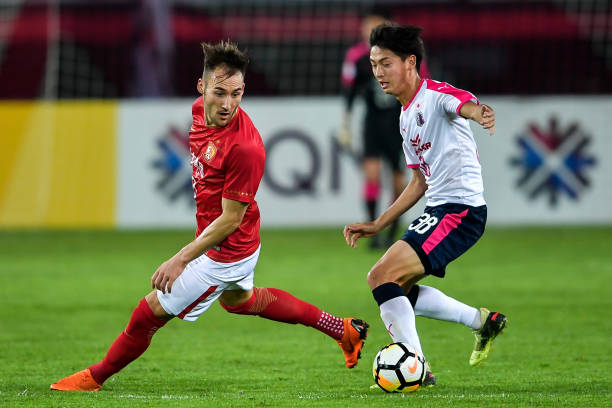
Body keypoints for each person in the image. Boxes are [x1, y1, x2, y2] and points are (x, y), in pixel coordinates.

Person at [51, 41, 369, 392]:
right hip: (239, 242)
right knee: (242, 302)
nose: (228, 104)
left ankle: (94, 377)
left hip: (224, 253)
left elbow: (231, 219)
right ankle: (342, 329)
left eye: (236, 94)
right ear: (202, 88)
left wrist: (180, 259)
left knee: (149, 312)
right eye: (220, 93)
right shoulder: (198, 111)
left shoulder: (246, 148)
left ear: (243, 90)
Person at [343, 24, 507, 387]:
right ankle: (483, 323)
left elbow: (460, 102)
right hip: (440, 210)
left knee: (380, 277)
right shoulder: (405, 117)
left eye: (386, 63)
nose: (378, 73)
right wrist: (378, 223)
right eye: (373, 65)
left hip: (460, 211)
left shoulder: (433, 95)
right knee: (392, 285)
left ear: (411, 62)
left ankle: (418, 370)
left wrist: (477, 112)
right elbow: (419, 181)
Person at [339, 14, 431, 249]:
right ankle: (373, 233)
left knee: (399, 181)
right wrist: (346, 123)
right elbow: (350, 91)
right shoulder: (357, 57)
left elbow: (423, 85)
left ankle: (391, 233)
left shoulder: (402, 56)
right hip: (372, 124)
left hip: (398, 124)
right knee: (372, 175)